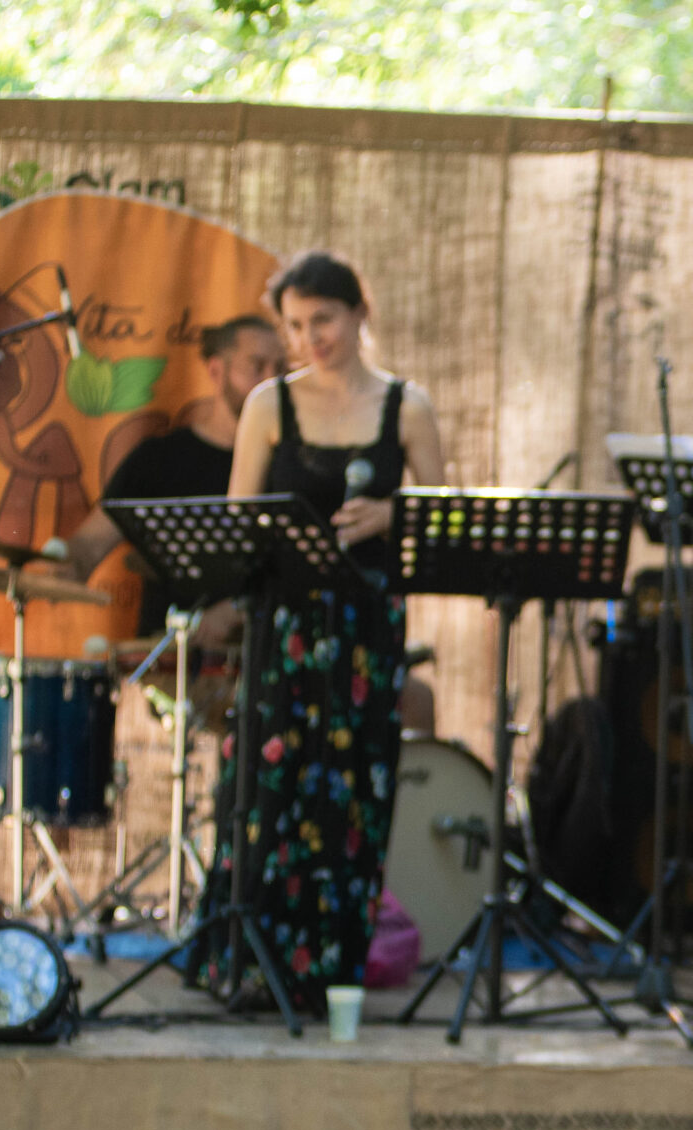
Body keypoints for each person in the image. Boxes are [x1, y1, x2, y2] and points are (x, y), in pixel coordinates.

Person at [203, 249, 447, 1010]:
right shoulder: (269, 405)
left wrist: (393, 516)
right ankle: (254, 965)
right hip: (285, 628)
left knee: (354, 795)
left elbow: (447, 521)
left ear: (359, 313)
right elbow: (238, 523)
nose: (312, 337)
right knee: (269, 791)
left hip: (367, 626)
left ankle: (332, 969)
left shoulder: (407, 406)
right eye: (297, 325)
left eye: (325, 321)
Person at [44, 315, 285, 606]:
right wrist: (59, 569)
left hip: (264, 641)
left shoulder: (293, 463)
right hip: (169, 644)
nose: (272, 381)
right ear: (216, 370)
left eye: (282, 369)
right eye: (256, 366)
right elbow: (89, 545)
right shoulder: (158, 459)